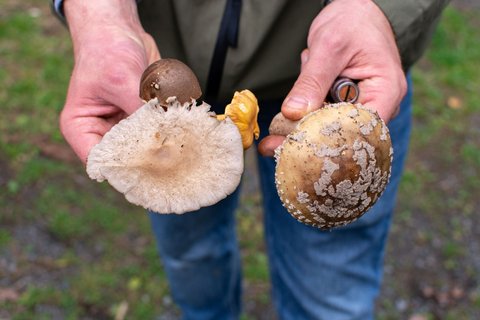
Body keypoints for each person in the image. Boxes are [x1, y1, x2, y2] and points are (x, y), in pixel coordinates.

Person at [53, 0, 449, 318]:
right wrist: (98, 13)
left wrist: (380, 10)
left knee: (330, 287)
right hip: (168, 90)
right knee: (192, 257)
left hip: (339, 77)